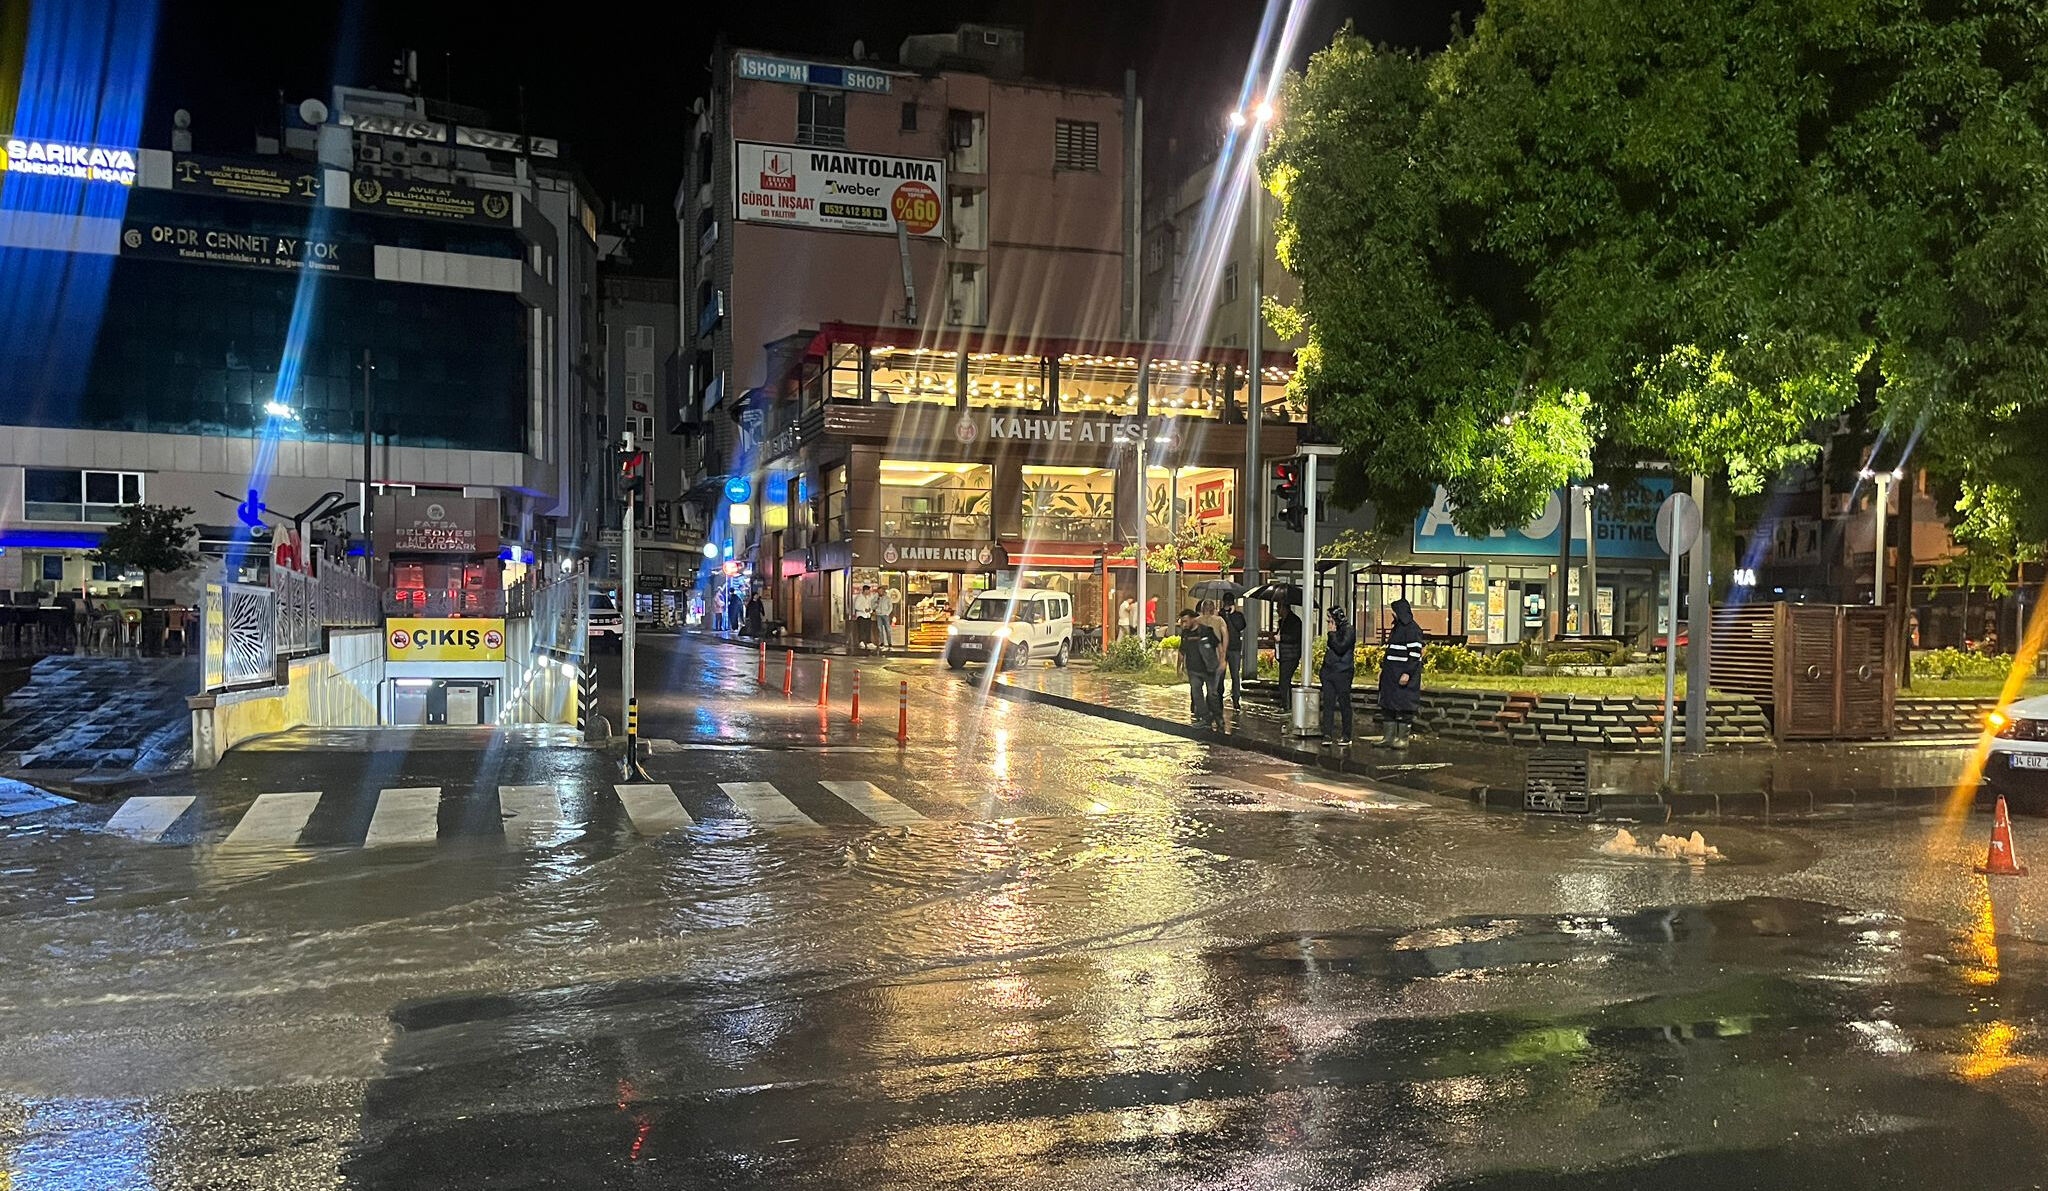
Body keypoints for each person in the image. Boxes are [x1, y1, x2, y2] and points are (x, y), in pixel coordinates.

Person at [1374, 597, 1424, 749]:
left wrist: (1407, 673)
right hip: (1391, 675)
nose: (1392, 614)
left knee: (1404, 706)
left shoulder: (1412, 629)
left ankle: (1402, 739)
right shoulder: (1397, 629)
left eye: (1394, 611)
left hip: (1403, 675)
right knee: (1388, 706)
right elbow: (1390, 652)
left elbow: (1415, 654)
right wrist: (1383, 669)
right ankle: (1388, 737)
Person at [1176, 608, 1223, 729]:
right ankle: (1205, 718)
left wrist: (1222, 661)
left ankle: (1218, 717)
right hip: (1193, 669)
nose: (1183, 624)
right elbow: (1182, 651)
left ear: (1193, 619)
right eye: (1182, 622)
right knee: (1197, 694)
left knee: (1212, 695)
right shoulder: (1185, 634)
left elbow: (1218, 644)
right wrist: (1179, 668)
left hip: (1208, 669)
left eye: (1185, 621)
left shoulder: (1206, 631)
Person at [1318, 607, 1357, 744]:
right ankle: (1327, 734)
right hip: (1329, 671)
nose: (1328, 622)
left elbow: (1340, 648)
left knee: (1344, 703)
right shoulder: (1333, 632)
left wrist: (1332, 634)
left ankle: (1347, 735)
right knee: (1328, 703)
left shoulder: (1348, 630)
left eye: (1330, 619)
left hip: (1343, 672)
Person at [1220, 597, 1248, 710]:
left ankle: (1236, 698)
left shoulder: (1238, 615)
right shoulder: (1219, 614)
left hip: (1234, 647)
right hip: (1222, 647)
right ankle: (1219, 696)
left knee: (1235, 675)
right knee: (1220, 674)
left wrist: (1230, 615)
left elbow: (1240, 626)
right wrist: (1224, 615)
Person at [1276, 604, 1303, 708]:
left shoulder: (1294, 621)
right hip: (1284, 654)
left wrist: (1281, 638)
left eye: (1279, 608)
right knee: (1284, 680)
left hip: (1291, 654)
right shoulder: (1282, 621)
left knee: (1284, 680)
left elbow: (1294, 636)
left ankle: (1286, 704)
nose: (1278, 611)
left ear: (1284, 608)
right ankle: (1286, 703)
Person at [852, 584, 878, 653]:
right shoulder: (859, 597)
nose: (869, 592)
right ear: (865, 590)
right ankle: (861, 642)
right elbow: (856, 606)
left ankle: (868, 642)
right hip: (861, 616)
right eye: (868, 590)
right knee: (861, 629)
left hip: (867, 616)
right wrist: (864, 609)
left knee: (868, 629)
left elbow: (870, 606)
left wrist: (870, 610)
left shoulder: (868, 598)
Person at [875, 585, 897, 653]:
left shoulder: (887, 598)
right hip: (879, 615)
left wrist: (887, 613)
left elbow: (890, 607)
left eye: (881, 591)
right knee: (880, 629)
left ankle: (890, 643)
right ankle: (882, 643)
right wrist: (876, 608)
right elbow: (873, 606)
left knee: (888, 629)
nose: (880, 592)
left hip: (885, 615)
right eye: (878, 591)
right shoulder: (877, 598)